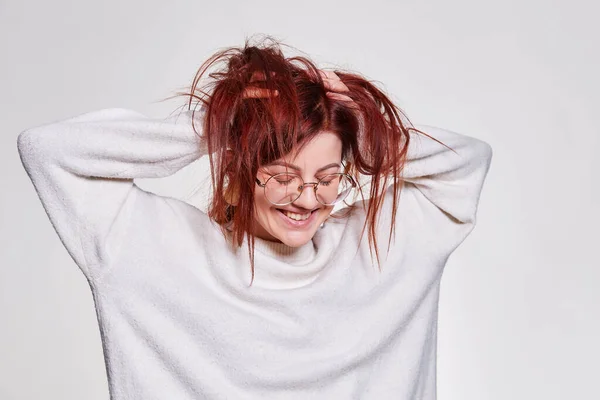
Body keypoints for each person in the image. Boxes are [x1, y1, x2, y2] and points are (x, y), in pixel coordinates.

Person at [17, 38, 493, 399]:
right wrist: (221, 123)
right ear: (240, 167)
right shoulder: (153, 250)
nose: (307, 199)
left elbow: (469, 162)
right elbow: (49, 150)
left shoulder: (383, 251)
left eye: (328, 177)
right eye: (283, 175)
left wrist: (367, 129)